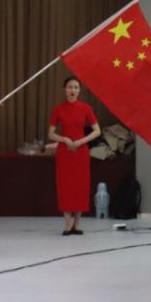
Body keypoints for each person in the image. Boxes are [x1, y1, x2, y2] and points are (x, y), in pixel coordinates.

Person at [47, 76, 102, 235]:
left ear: (79, 91)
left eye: (76, 87)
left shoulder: (86, 108)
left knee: (80, 185)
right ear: (65, 90)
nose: (73, 90)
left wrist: (80, 141)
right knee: (65, 186)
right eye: (70, 87)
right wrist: (64, 139)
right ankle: (67, 224)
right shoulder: (58, 109)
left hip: (80, 151)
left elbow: (97, 131)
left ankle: (77, 224)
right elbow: (51, 134)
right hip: (65, 152)